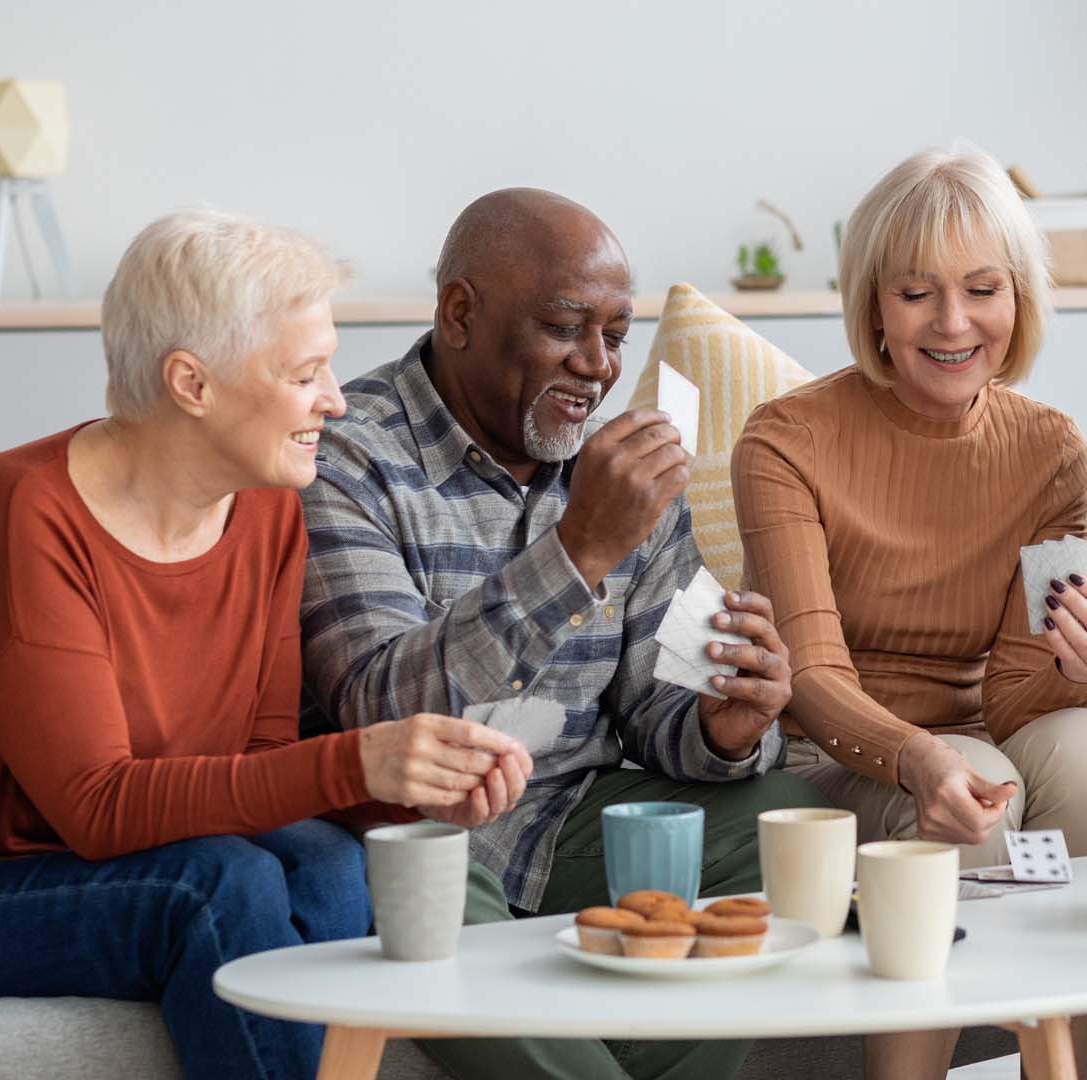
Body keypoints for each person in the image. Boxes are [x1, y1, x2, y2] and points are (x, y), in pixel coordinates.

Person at [0, 210, 530, 1080]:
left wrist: (408, 792)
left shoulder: (267, 510)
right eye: (305, 374)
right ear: (191, 383)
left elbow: (258, 765)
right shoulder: (20, 514)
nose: (337, 400)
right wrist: (360, 761)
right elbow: (96, 805)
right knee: (215, 886)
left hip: (124, 855)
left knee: (328, 865)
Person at [300, 187, 827, 1080]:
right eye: (564, 328)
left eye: (617, 335)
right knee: (416, 880)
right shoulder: (348, 457)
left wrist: (725, 725)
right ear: (460, 314)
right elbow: (378, 710)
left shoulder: (620, 468)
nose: (598, 365)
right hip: (417, 828)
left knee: (786, 819)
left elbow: (656, 712)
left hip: (570, 820)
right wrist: (578, 550)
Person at [732, 144, 1087, 1078]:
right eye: (917, 293)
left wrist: (1079, 670)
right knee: (979, 793)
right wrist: (920, 758)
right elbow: (810, 676)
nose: (953, 323)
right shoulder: (787, 442)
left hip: (981, 735)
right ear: (875, 306)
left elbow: (1014, 696)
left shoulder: (1051, 450)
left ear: (1018, 298)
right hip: (831, 754)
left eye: (982, 289)